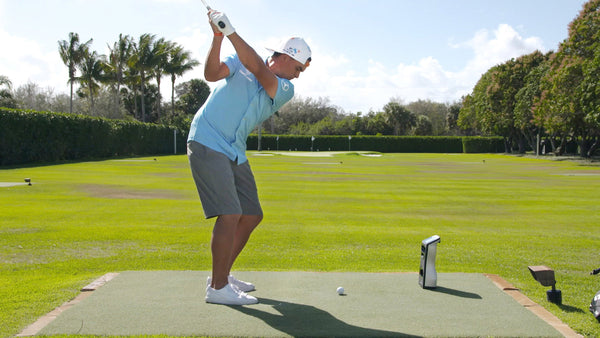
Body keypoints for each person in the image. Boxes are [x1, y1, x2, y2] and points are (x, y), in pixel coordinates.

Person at [187, 8, 311, 305]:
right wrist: (218, 37)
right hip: (207, 138)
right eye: (298, 68)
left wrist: (230, 31)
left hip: (234, 149)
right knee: (230, 214)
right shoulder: (239, 62)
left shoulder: (284, 88)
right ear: (286, 57)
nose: (298, 75)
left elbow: (257, 67)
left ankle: (223, 275)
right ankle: (217, 288)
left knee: (252, 213)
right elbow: (211, 74)